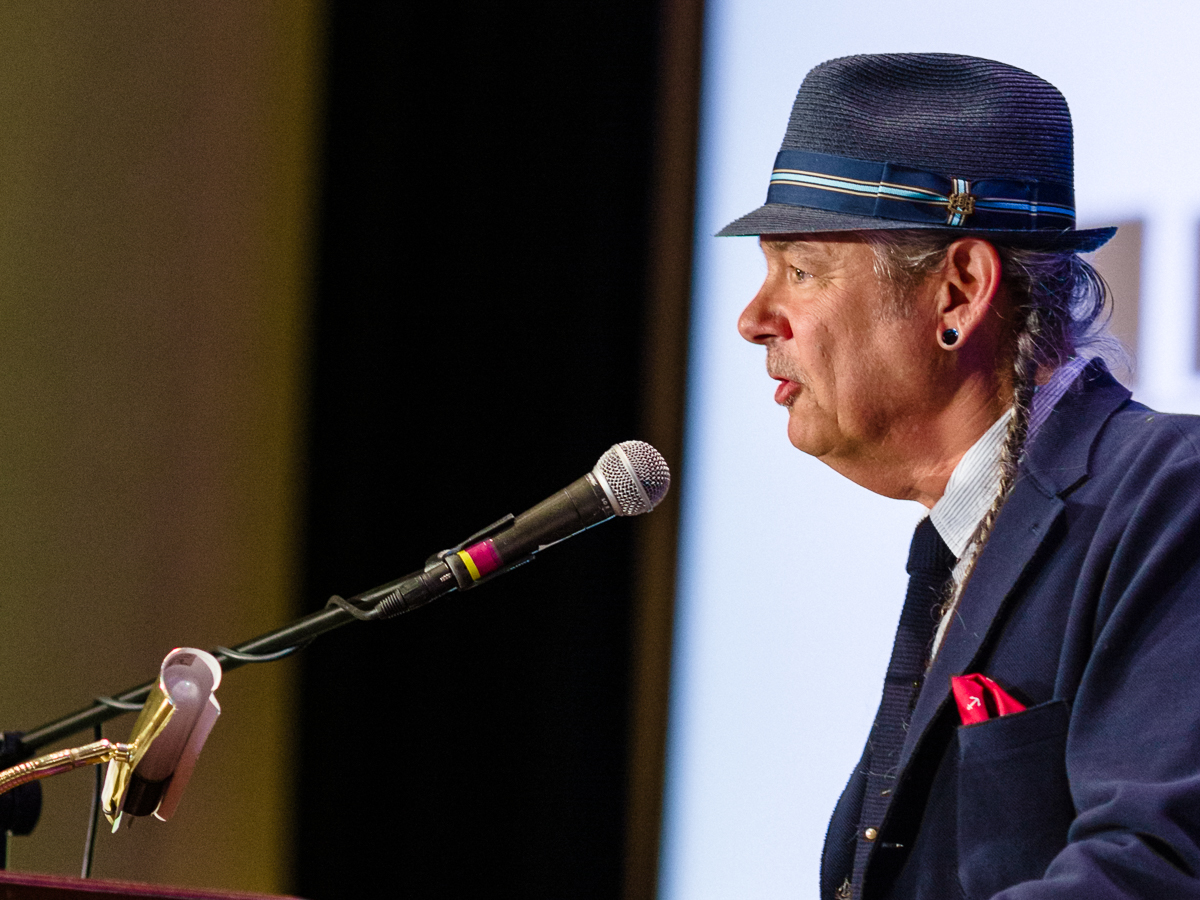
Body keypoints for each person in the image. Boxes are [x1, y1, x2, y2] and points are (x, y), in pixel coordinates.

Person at [720, 53, 1200, 899]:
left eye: (799, 269)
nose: (753, 319)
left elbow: (1150, 868)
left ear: (959, 291)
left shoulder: (1169, 495)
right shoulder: (958, 537)